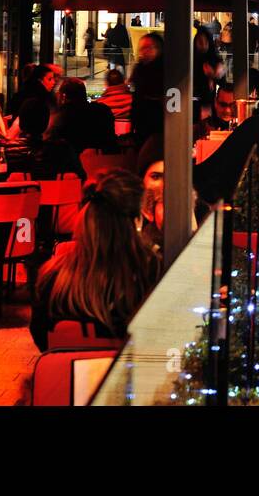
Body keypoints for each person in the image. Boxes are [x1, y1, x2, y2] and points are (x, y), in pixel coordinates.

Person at [29, 168, 161, 351]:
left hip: (69, 376)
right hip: (132, 376)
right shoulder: (153, 273)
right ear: (137, 220)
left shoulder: (52, 275)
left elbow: (42, 339)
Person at [44, 77, 117, 176]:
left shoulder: (60, 116)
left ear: (63, 96)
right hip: (105, 166)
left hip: (72, 173)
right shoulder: (103, 111)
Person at [129, 32, 167, 166]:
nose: (144, 52)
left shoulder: (166, 70)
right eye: (142, 48)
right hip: (140, 124)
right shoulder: (139, 68)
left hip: (158, 123)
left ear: (159, 49)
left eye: (149, 48)